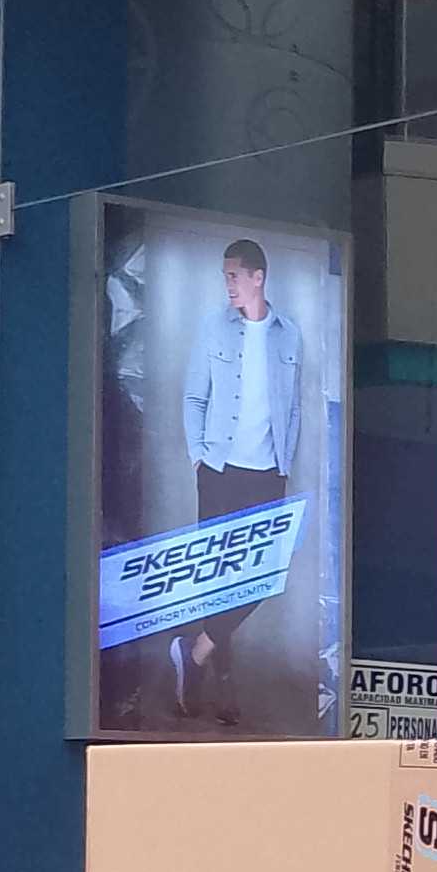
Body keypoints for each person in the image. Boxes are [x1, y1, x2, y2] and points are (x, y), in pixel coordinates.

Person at [178, 236, 303, 724]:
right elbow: (194, 397)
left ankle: (195, 652)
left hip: (267, 475)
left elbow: (293, 408)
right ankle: (221, 686)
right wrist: (198, 457)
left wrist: (284, 465)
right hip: (220, 470)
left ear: (258, 277)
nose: (228, 284)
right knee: (219, 580)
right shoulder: (214, 327)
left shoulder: (288, 335)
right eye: (224, 276)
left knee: (263, 578)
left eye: (234, 275)